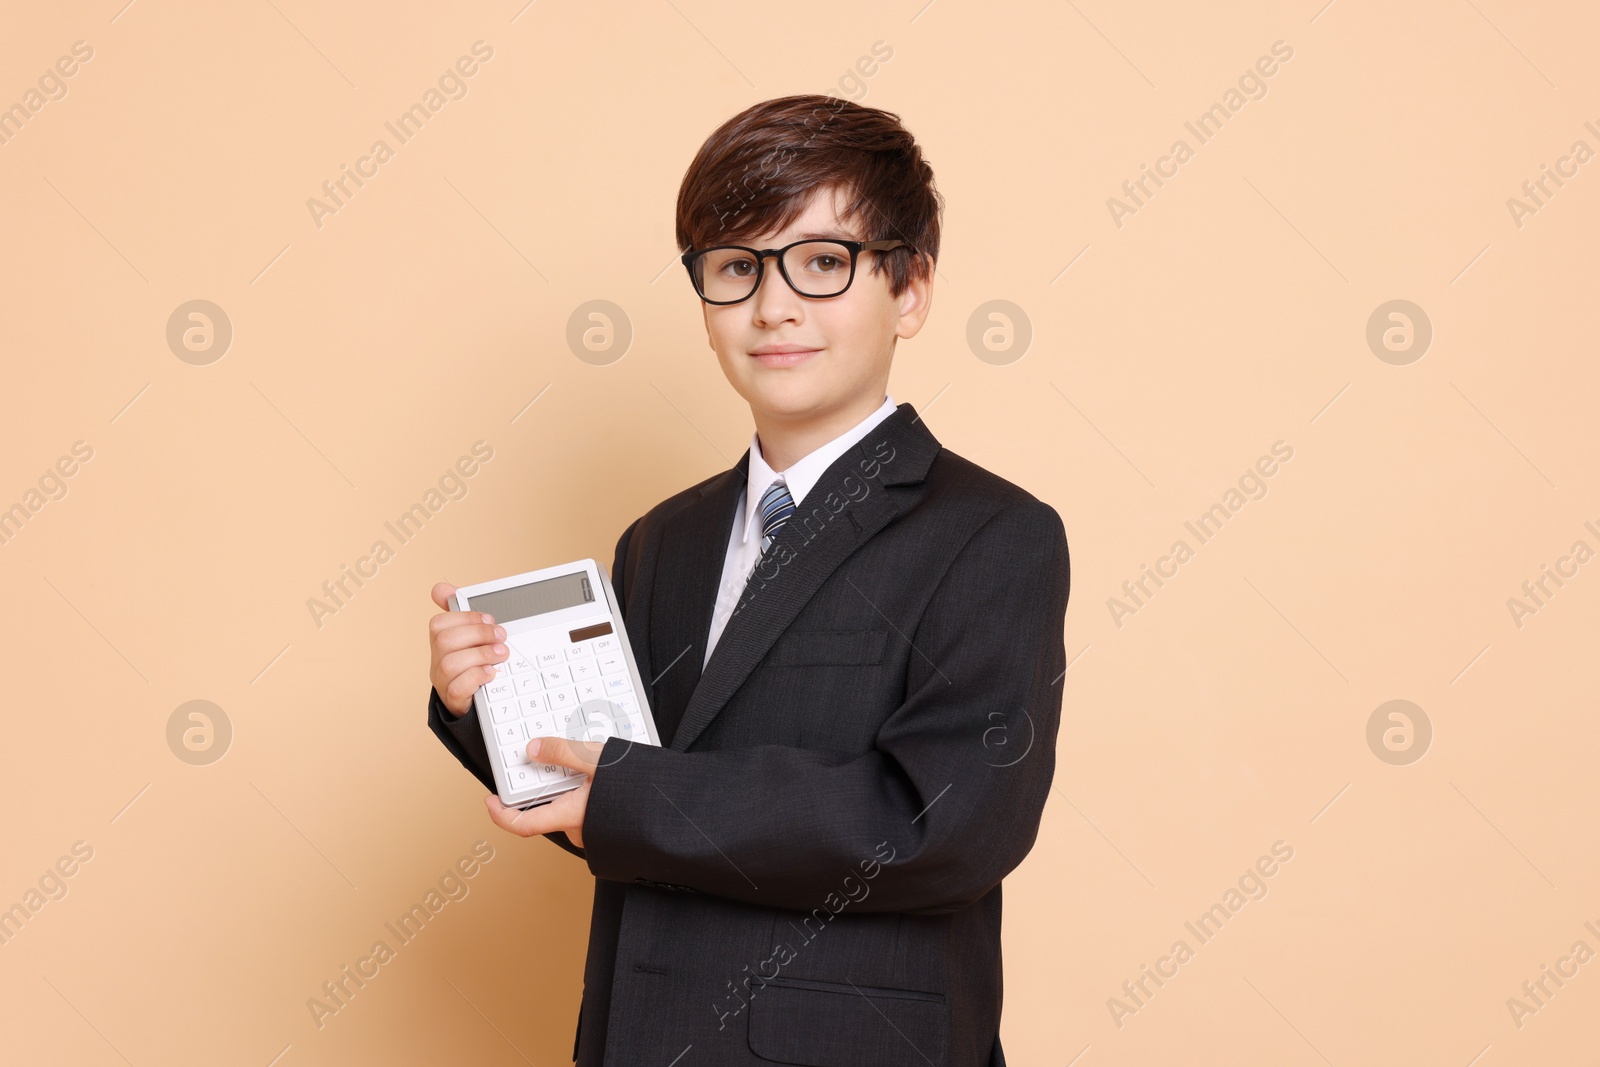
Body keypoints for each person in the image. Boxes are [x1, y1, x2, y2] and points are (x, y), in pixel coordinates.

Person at [425, 93, 1070, 1066]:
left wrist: (642, 793)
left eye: (821, 262)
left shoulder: (992, 534)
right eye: (735, 269)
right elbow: (629, 813)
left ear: (910, 289)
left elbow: (943, 822)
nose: (773, 307)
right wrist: (492, 709)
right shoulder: (662, 540)